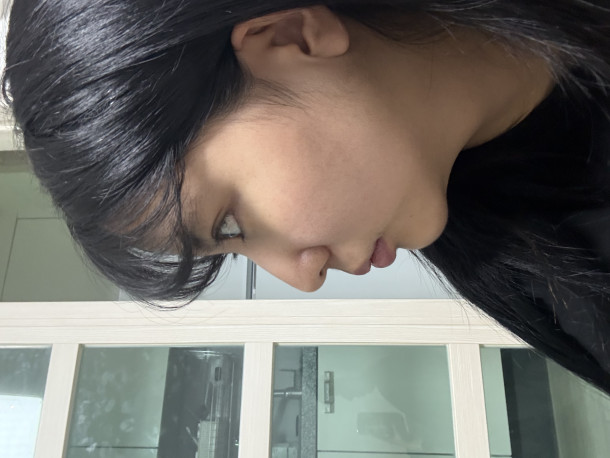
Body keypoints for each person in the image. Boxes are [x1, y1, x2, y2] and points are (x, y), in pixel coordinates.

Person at [3, 1, 609, 393]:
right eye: (232, 252)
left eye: (231, 224)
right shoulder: (562, 279)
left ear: (292, 36)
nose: (305, 278)